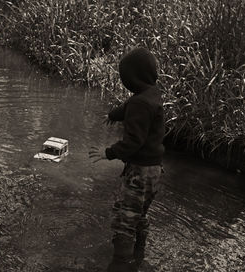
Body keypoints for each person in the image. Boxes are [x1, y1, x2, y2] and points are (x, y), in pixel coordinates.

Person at [89, 47, 165, 272]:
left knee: (124, 221)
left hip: (139, 173)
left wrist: (108, 153)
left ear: (131, 79)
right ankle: (139, 254)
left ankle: (121, 263)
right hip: (155, 171)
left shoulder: (140, 104)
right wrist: (114, 115)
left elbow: (134, 142)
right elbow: (131, 105)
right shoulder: (152, 94)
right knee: (139, 215)